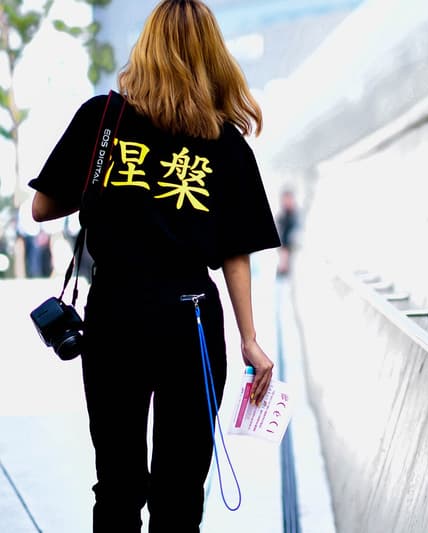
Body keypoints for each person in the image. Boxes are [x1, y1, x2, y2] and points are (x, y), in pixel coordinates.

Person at [28, 1, 281, 531]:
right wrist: (250, 339)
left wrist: (113, 185)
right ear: (211, 57)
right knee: (181, 488)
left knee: (117, 483)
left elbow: (43, 207)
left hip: (116, 316)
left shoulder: (104, 119)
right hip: (191, 319)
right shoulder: (223, 143)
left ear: (147, 50)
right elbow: (237, 250)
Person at [276, 188, 299, 277]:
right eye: (284, 200)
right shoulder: (281, 218)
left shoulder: (296, 219)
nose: (286, 202)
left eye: (288, 199)